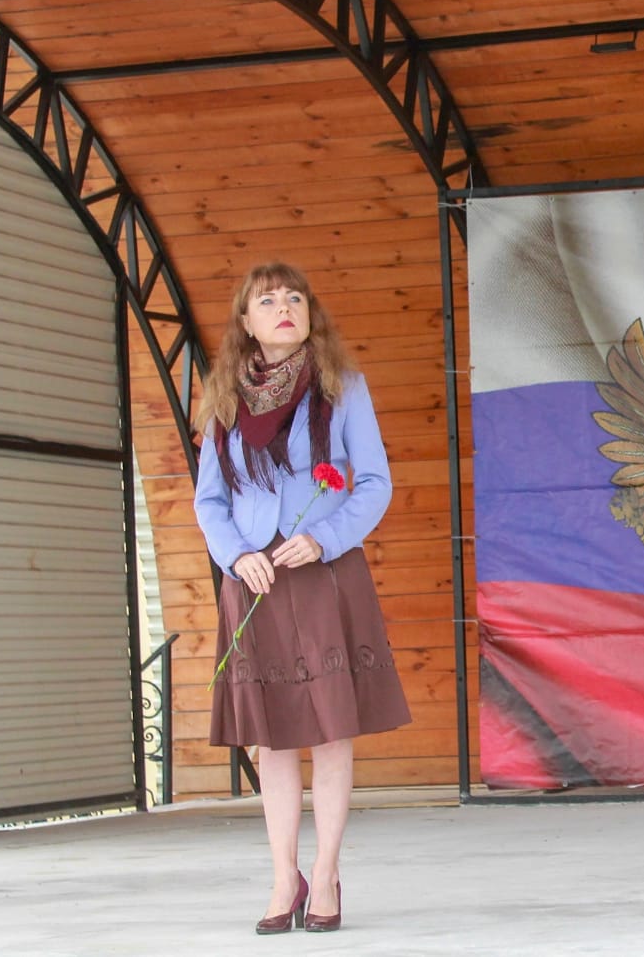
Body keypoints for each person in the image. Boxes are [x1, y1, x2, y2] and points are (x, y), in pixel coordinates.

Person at [194, 261, 411, 934]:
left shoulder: (343, 387)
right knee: (273, 738)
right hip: (254, 579)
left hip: (324, 572)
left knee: (331, 729)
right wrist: (236, 555)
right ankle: (284, 877)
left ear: (310, 314)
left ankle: (327, 872)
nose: (284, 307)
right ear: (246, 322)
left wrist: (324, 538)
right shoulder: (222, 398)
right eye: (268, 300)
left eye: (295, 297)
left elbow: (374, 483)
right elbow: (209, 500)